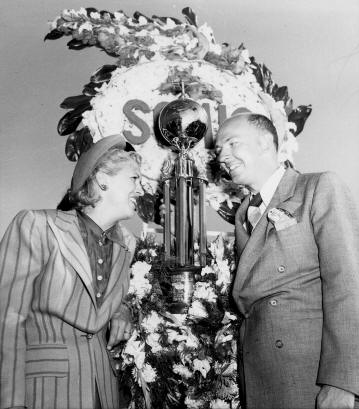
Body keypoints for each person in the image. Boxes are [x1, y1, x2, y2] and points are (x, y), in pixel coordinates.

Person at [215, 113, 359, 409]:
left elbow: (348, 285)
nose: (222, 156)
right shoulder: (243, 214)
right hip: (261, 379)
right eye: (218, 149)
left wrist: (342, 382)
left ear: (266, 144)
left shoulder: (318, 187)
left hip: (311, 378)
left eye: (231, 143)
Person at [0, 134, 143, 409]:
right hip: (43, 392)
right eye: (134, 179)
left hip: (104, 392)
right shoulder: (37, 226)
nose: (141, 189)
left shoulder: (128, 243)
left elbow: (103, 300)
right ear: (103, 179)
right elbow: (7, 318)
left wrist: (120, 309)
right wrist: (11, 403)